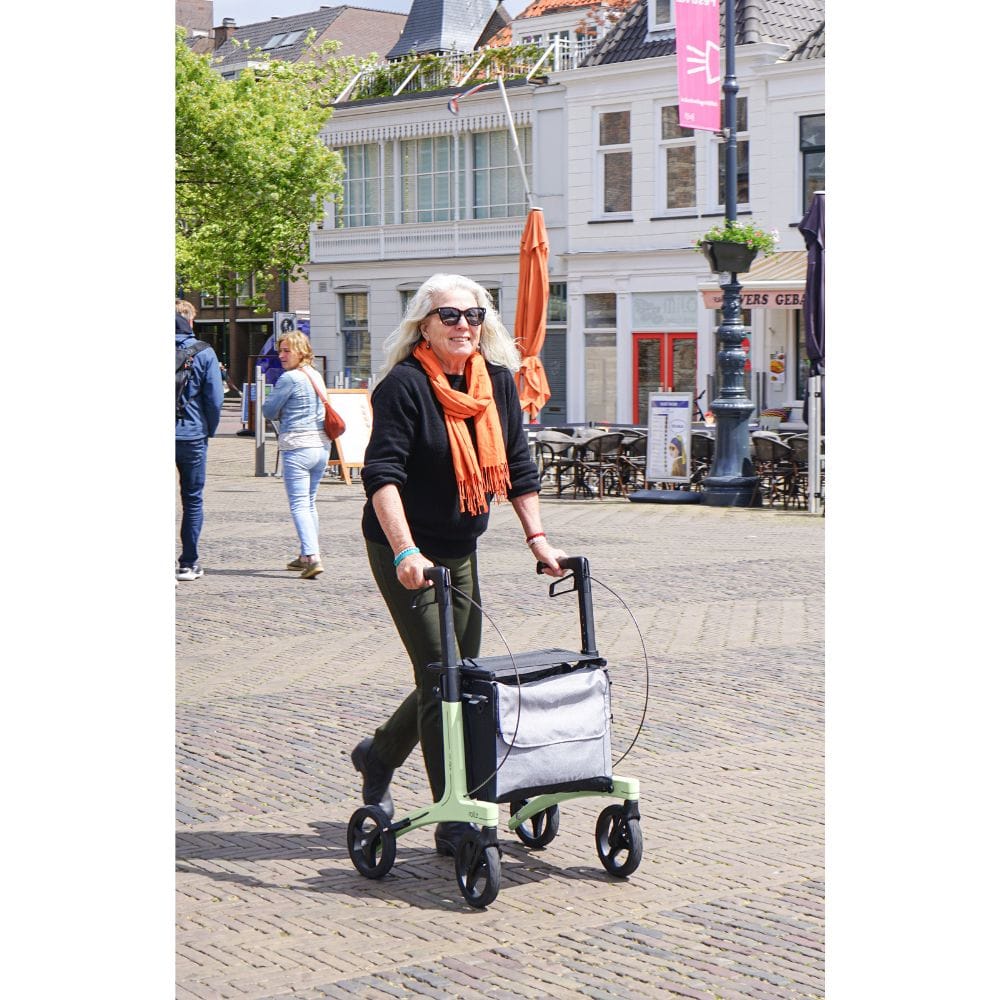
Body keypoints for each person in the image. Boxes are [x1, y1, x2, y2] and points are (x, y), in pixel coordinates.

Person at [351, 273, 567, 858]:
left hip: (460, 546)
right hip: (405, 547)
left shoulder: (496, 382)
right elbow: (382, 475)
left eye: (474, 315)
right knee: (440, 674)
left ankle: (379, 754)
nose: (463, 325)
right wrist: (404, 550)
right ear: (424, 324)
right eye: (450, 316)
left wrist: (539, 540)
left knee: (459, 674)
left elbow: (518, 467)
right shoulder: (402, 386)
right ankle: (453, 810)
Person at [261, 330, 329, 579]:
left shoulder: (290, 378)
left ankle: (312, 556)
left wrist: (281, 410)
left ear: (301, 352)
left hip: (298, 446)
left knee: (299, 503)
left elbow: (269, 411)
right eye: (280, 350)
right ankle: (304, 556)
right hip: (321, 446)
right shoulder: (316, 375)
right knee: (309, 502)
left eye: (286, 351)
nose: (281, 355)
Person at [176, 300, 224, 581]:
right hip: (191, 434)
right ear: (191, 321)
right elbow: (215, 399)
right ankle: (188, 563)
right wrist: (210, 429)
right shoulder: (204, 352)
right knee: (192, 499)